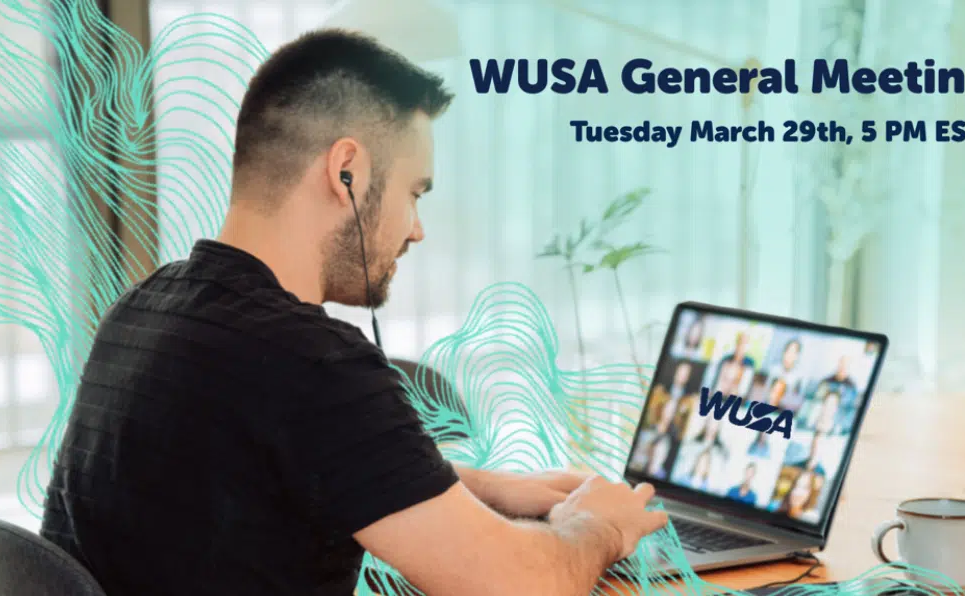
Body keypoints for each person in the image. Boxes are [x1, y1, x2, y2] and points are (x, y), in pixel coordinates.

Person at [38, 30, 667, 596]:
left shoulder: (143, 310)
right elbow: (522, 586)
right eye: (414, 193)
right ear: (347, 171)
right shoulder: (313, 361)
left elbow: (288, 465)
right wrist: (599, 525)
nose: (417, 230)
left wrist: (485, 488)